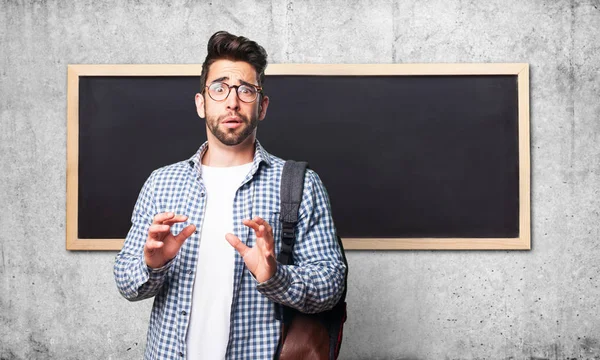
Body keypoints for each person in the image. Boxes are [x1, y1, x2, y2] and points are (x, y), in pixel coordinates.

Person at [113, 31, 346, 360]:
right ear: (201, 102)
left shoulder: (300, 184)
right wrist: (153, 264)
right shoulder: (161, 183)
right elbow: (126, 281)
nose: (232, 101)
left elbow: (331, 285)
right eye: (219, 88)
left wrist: (274, 275)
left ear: (262, 106)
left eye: (246, 90)